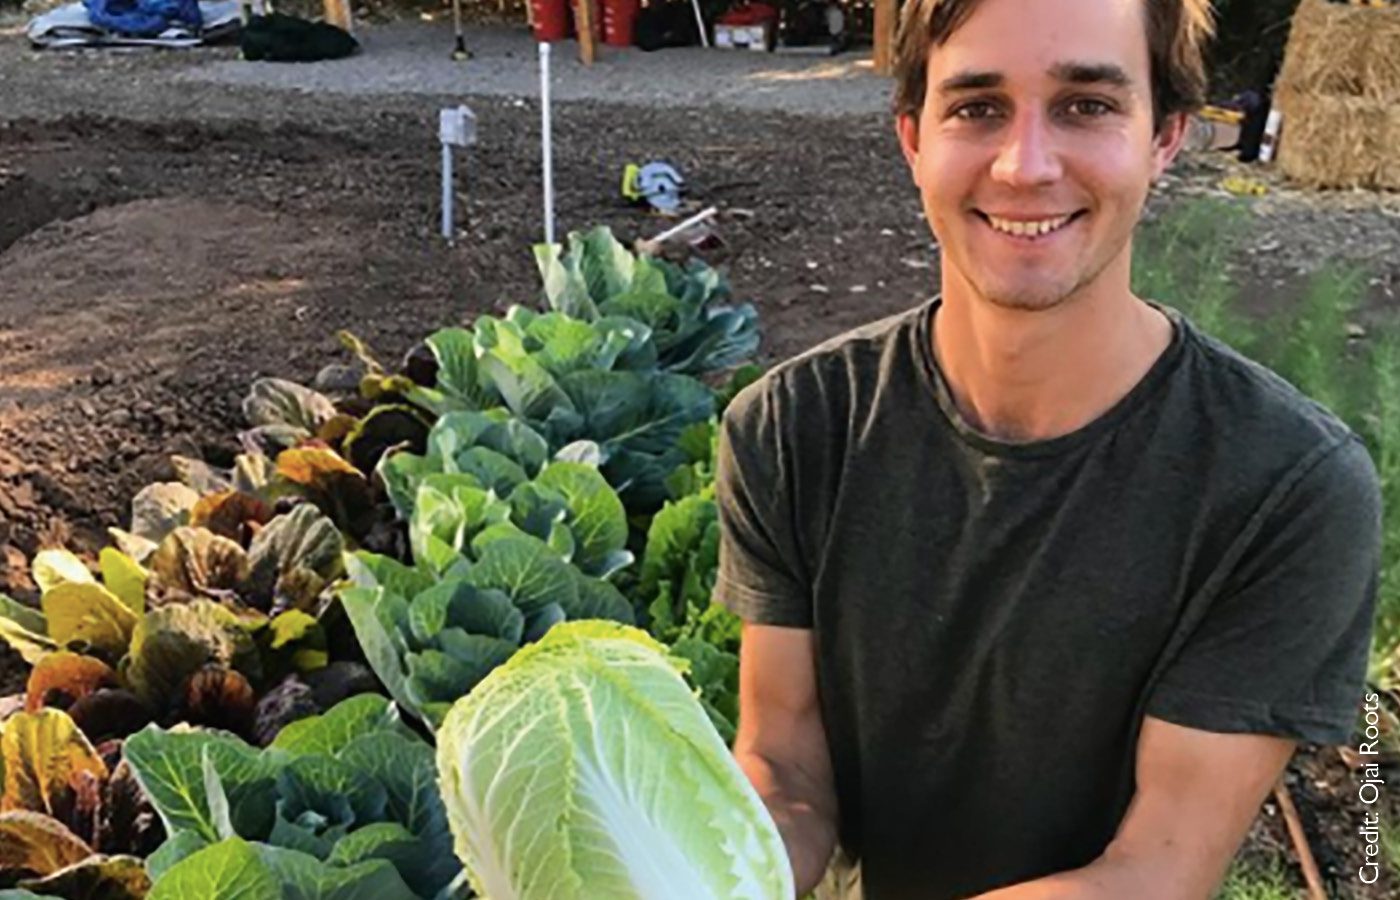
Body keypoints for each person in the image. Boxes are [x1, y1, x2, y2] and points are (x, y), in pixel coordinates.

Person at [713, 0, 1383, 897]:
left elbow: (1157, 868)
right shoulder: (793, 430)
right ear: (914, 139)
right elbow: (786, 768)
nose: (1025, 165)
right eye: (977, 107)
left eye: (1087, 105)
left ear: (1166, 137)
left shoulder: (1285, 488)